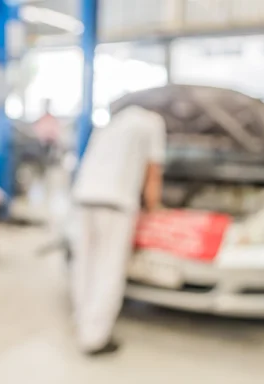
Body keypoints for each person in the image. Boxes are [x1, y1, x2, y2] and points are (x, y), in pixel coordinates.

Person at [71, 105, 166, 356]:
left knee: (85, 265)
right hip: (116, 201)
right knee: (108, 269)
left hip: (84, 196)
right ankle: (95, 339)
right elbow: (153, 172)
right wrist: (155, 210)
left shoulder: (113, 123)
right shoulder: (153, 123)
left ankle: (84, 324)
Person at [33, 99, 61, 164]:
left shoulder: (53, 119)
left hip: (51, 143)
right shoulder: (41, 119)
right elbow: (37, 131)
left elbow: (56, 132)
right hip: (42, 143)